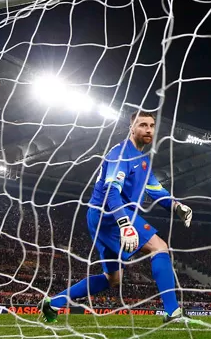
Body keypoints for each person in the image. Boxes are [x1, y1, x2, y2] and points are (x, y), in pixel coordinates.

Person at [39, 110, 193, 324]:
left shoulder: (142, 159)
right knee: (159, 247)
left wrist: (176, 206)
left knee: (112, 279)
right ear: (132, 128)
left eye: (151, 125)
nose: (148, 129)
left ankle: (54, 302)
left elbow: (156, 190)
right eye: (142, 125)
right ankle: (173, 312)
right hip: (110, 213)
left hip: (99, 216)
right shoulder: (121, 154)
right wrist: (124, 224)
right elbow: (112, 191)